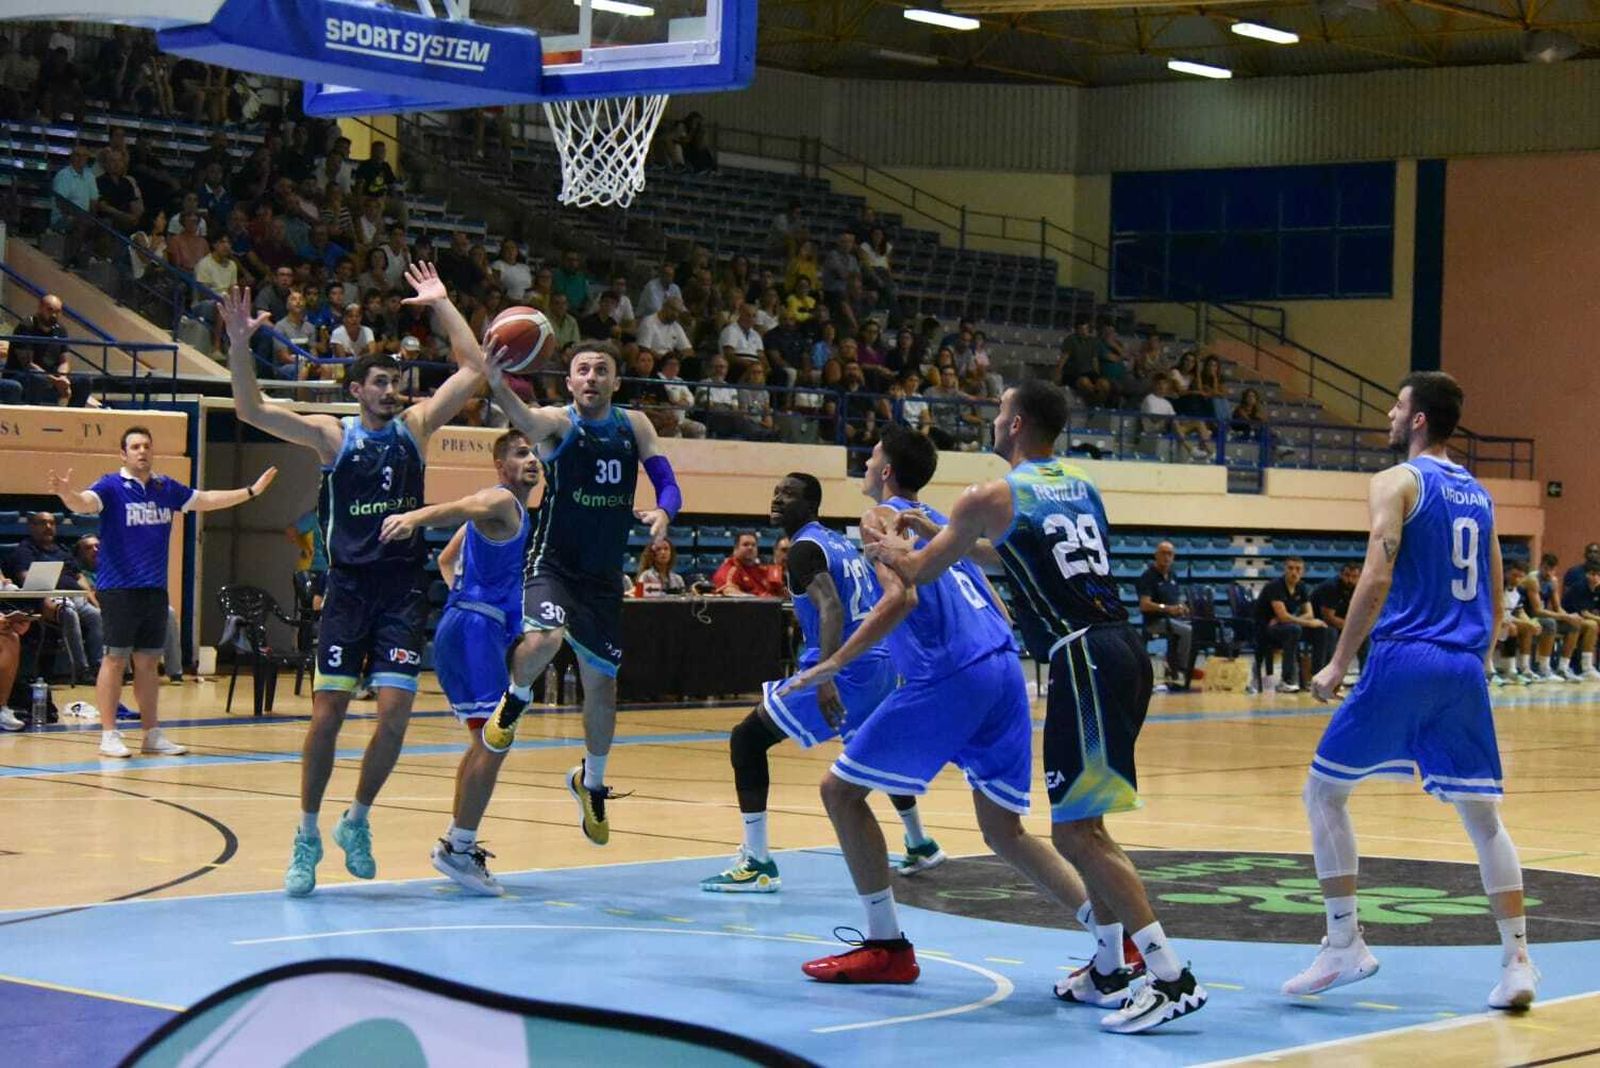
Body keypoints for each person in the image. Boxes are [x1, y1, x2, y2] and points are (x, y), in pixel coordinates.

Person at [863, 380, 1207, 1034]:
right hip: (1119, 648)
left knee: (1081, 832)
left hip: (1082, 657)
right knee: (1078, 826)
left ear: (1016, 424)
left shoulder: (988, 494)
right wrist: (947, 527)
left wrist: (881, 539)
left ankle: (1169, 976)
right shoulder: (1080, 484)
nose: (993, 420)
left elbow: (918, 572)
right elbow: (1014, 549)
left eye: (998, 412)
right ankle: (1109, 967)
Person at [784, 425, 1113, 995]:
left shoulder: (879, 521)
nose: (865, 464)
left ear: (887, 471)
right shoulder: (939, 517)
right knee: (1003, 830)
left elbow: (901, 596)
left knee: (839, 792)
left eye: (872, 457)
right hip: (1004, 668)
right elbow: (1001, 606)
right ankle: (1115, 941)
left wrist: (833, 662)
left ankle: (885, 946)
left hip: (950, 673)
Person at [220, 262, 486, 897]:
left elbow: (475, 370)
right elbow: (251, 407)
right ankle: (307, 833)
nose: (391, 389)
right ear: (358, 389)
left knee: (394, 713)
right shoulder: (331, 439)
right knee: (329, 713)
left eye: (396, 382)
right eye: (379, 381)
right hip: (347, 590)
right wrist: (236, 345)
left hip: (400, 591)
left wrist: (442, 304)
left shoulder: (415, 431)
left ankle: (357, 821)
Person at [1290, 371, 1538, 1011]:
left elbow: (1378, 569)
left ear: (1419, 419)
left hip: (1405, 657)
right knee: (1483, 818)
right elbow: (1495, 578)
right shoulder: (1478, 494)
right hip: (1460, 665)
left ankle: (1345, 941)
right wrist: (1481, 654)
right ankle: (1516, 963)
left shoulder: (1397, 481)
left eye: (1398, 406)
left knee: (1323, 791)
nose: (1391, 414)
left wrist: (1339, 660)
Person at [476, 338, 682, 847]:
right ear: (569, 382)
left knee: (602, 688)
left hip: (602, 579)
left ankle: (590, 783)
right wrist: (498, 382)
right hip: (555, 566)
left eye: (601, 370)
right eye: (582, 370)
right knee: (545, 639)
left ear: (616, 380)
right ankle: (516, 697)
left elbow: (665, 479)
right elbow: (524, 419)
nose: (591, 377)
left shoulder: (635, 425)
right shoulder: (559, 423)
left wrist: (664, 511)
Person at [700, 471, 936, 894]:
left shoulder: (804, 548)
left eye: (788, 494)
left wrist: (825, 675)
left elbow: (831, 609)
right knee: (867, 749)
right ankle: (920, 841)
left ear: (810, 506)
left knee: (746, 740)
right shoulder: (838, 542)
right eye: (775, 491)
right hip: (878, 662)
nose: (776, 499)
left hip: (846, 667)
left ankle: (756, 862)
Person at [375, 430, 541, 895]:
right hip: (475, 632)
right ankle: (461, 849)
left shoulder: (506, 513)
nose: (532, 460)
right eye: (521, 453)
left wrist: (464, 602)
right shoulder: (501, 501)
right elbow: (461, 507)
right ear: (500, 466)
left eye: (534, 453)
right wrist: (414, 517)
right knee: (495, 742)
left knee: (482, 743)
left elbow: (449, 560)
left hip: (465, 625)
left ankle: (457, 841)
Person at [49, 428, 275, 758]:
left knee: (148, 662)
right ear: (123, 455)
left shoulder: (164, 487)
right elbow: (84, 503)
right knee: (114, 660)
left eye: (146, 446)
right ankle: (109, 733)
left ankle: (151, 732)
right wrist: (66, 495)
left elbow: (206, 498)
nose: (142, 451)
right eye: (134, 447)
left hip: (154, 589)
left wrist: (251, 491)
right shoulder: (111, 486)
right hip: (119, 589)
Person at [3, 511, 101, 684]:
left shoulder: (62, 550)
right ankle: (81, 670)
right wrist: (45, 598)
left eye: (51, 523)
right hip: (48, 599)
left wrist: (94, 602)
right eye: (42, 523)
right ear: (32, 527)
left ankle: (98, 667)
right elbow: (27, 580)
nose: (48, 527)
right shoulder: (25, 550)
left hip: (76, 597)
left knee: (96, 616)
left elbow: (79, 577)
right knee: (68, 613)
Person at [1254, 557, 1326, 693]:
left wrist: (1290, 619)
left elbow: (1309, 613)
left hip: (1286, 626)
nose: (1294, 572)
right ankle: (1286, 680)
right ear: (1284, 569)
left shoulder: (1301, 586)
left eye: (1298, 569)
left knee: (1322, 630)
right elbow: (1283, 616)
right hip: (1265, 629)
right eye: (1291, 568)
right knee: (1294, 630)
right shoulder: (1275, 586)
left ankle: (1316, 678)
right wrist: (1307, 622)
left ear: (1302, 572)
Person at [1136, 541, 1194, 691]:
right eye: (1163, 553)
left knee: (1196, 626)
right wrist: (1167, 608)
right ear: (1156, 555)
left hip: (1173, 619)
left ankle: (1173, 666)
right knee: (1188, 631)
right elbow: (1144, 604)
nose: (1166, 557)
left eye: (1170, 554)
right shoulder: (1148, 577)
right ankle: (1182, 668)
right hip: (1155, 621)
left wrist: (1182, 607)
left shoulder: (1173, 576)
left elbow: (1175, 600)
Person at [711, 532, 780, 597]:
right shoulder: (729, 569)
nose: (750, 548)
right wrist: (756, 599)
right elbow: (729, 591)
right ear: (735, 548)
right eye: (745, 544)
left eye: (753, 545)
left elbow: (780, 591)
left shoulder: (763, 569)